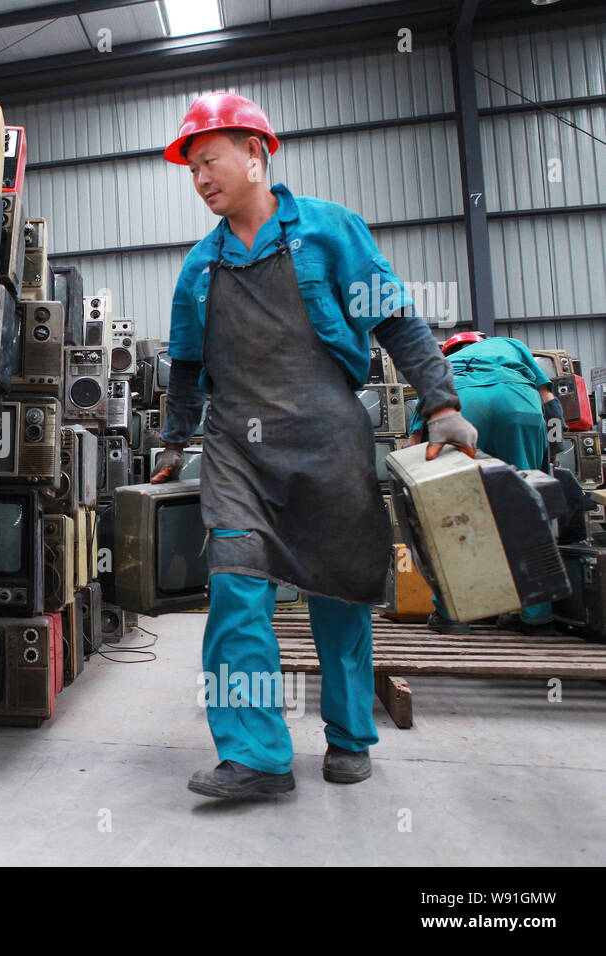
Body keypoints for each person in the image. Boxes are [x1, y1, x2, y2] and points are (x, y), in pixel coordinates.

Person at [150, 92, 479, 800]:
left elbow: (393, 318)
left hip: (328, 435)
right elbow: (182, 366)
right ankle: (257, 754)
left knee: (340, 591)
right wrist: (174, 440)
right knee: (236, 589)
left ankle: (349, 735)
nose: (201, 179)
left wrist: (442, 402)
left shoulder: (332, 232)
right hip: (236, 447)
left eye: (209, 161)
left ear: (257, 153)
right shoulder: (198, 269)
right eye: (192, 169)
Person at [409, 331, 564, 635]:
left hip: (459, 405)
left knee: (454, 515)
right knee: (527, 505)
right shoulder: (510, 346)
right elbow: (551, 402)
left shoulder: (439, 368)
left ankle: (451, 614)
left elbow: (415, 441)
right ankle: (536, 615)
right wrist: (551, 451)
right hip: (517, 401)